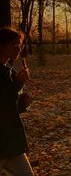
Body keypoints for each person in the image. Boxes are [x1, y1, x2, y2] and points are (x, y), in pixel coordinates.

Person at [0, 28, 34, 176]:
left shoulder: (9, 70)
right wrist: (18, 84)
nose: (19, 48)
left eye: (20, 45)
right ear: (2, 46)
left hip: (10, 143)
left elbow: (11, 106)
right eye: (14, 44)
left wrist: (22, 103)